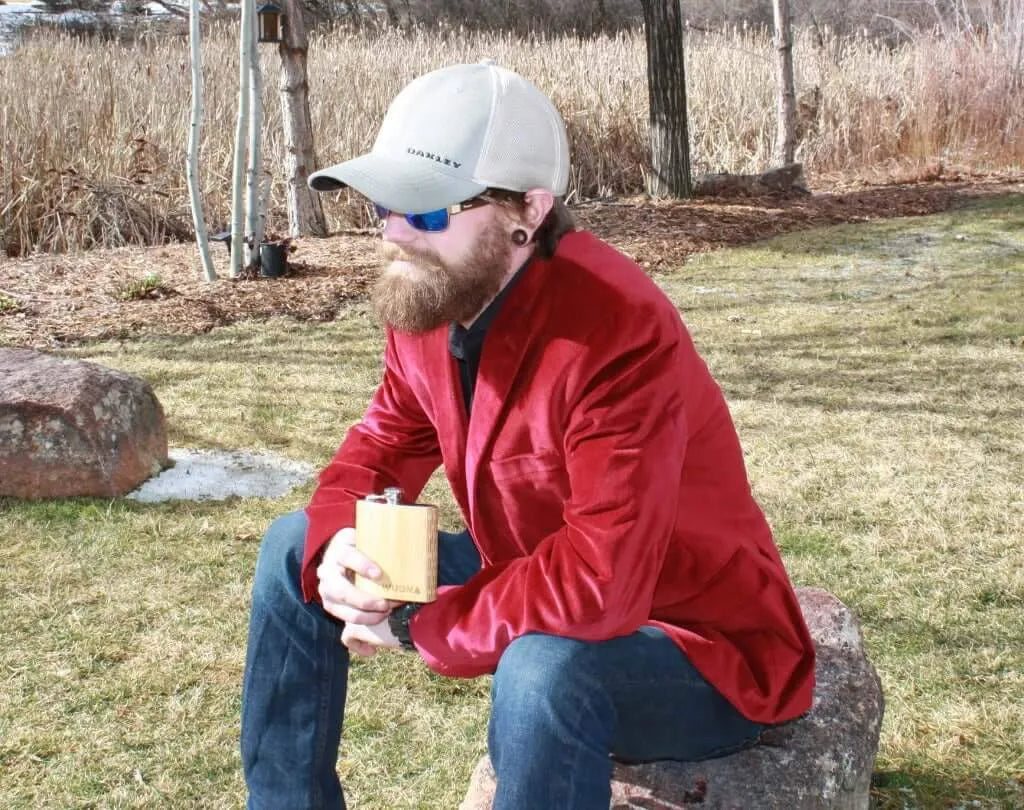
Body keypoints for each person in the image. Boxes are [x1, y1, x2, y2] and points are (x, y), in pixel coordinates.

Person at [241, 60, 815, 810]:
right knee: (294, 547)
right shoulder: (434, 294)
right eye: (382, 206)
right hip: (536, 567)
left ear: (529, 211)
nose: (396, 235)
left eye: (430, 211)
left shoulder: (618, 328)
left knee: (543, 668)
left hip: (691, 638)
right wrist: (335, 552)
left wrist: (422, 621)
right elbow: (385, 441)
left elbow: (601, 584)